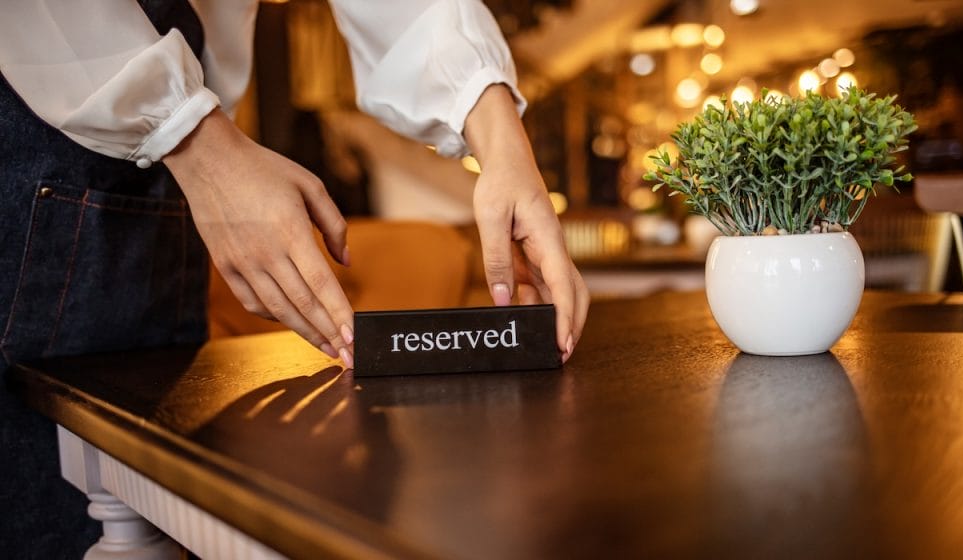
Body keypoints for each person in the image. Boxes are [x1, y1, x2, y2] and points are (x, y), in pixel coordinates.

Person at [0, 0, 588, 556]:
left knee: (152, 506)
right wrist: (198, 143)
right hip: (37, 160)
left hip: (166, 176)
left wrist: (504, 143)